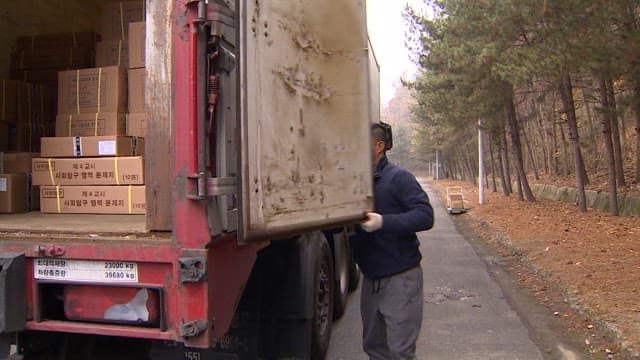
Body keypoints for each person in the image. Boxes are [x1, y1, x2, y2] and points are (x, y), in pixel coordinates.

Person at [351, 122, 435, 359]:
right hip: (371, 279)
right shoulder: (356, 181)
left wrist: (383, 222)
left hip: (400, 278)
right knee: (374, 348)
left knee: (400, 351)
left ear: (379, 146)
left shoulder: (399, 178)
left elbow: (425, 216)